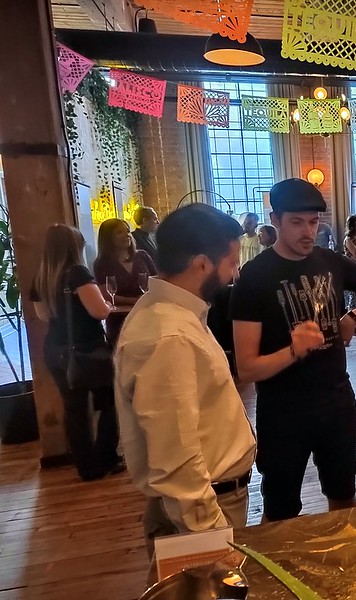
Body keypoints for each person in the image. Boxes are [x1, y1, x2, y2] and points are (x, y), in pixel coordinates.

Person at [231, 178, 356, 521]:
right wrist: (294, 351)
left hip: (336, 401)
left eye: (313, 221)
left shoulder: (330, 261)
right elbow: (247, 368)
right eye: (296, 222)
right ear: (275, 220)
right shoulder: (255, 276)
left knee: (343, 495)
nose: (308, 232)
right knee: (280, 510)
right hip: (282, 411)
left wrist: (352, 316)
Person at [114, 203, 256, 561]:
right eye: (231, 262)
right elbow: (175, 460)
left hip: (214, 497)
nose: (235, 273)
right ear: (202, 264)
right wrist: (214, 541)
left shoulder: (174, 314)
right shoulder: (168, 335)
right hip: (207, 508)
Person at [31, 225, 121, 482]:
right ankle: (106, 459)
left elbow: (43, 315)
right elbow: (99, 312)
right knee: (107, 403)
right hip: (88, 350)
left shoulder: (42, 277)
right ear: (74, 247)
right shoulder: (78, 274)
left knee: (74, 409)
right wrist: (107, 304)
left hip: (56, 351)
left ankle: (85, 467)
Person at [93, 218, 157, 346]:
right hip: (120, 321)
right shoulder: (102, 264)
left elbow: (157, 281)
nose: (126, 235)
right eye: (119, 232)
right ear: (108, 238)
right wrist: (134, 301)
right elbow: (107, 295)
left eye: (127, 231)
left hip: (147, 316)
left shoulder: (142, 256)